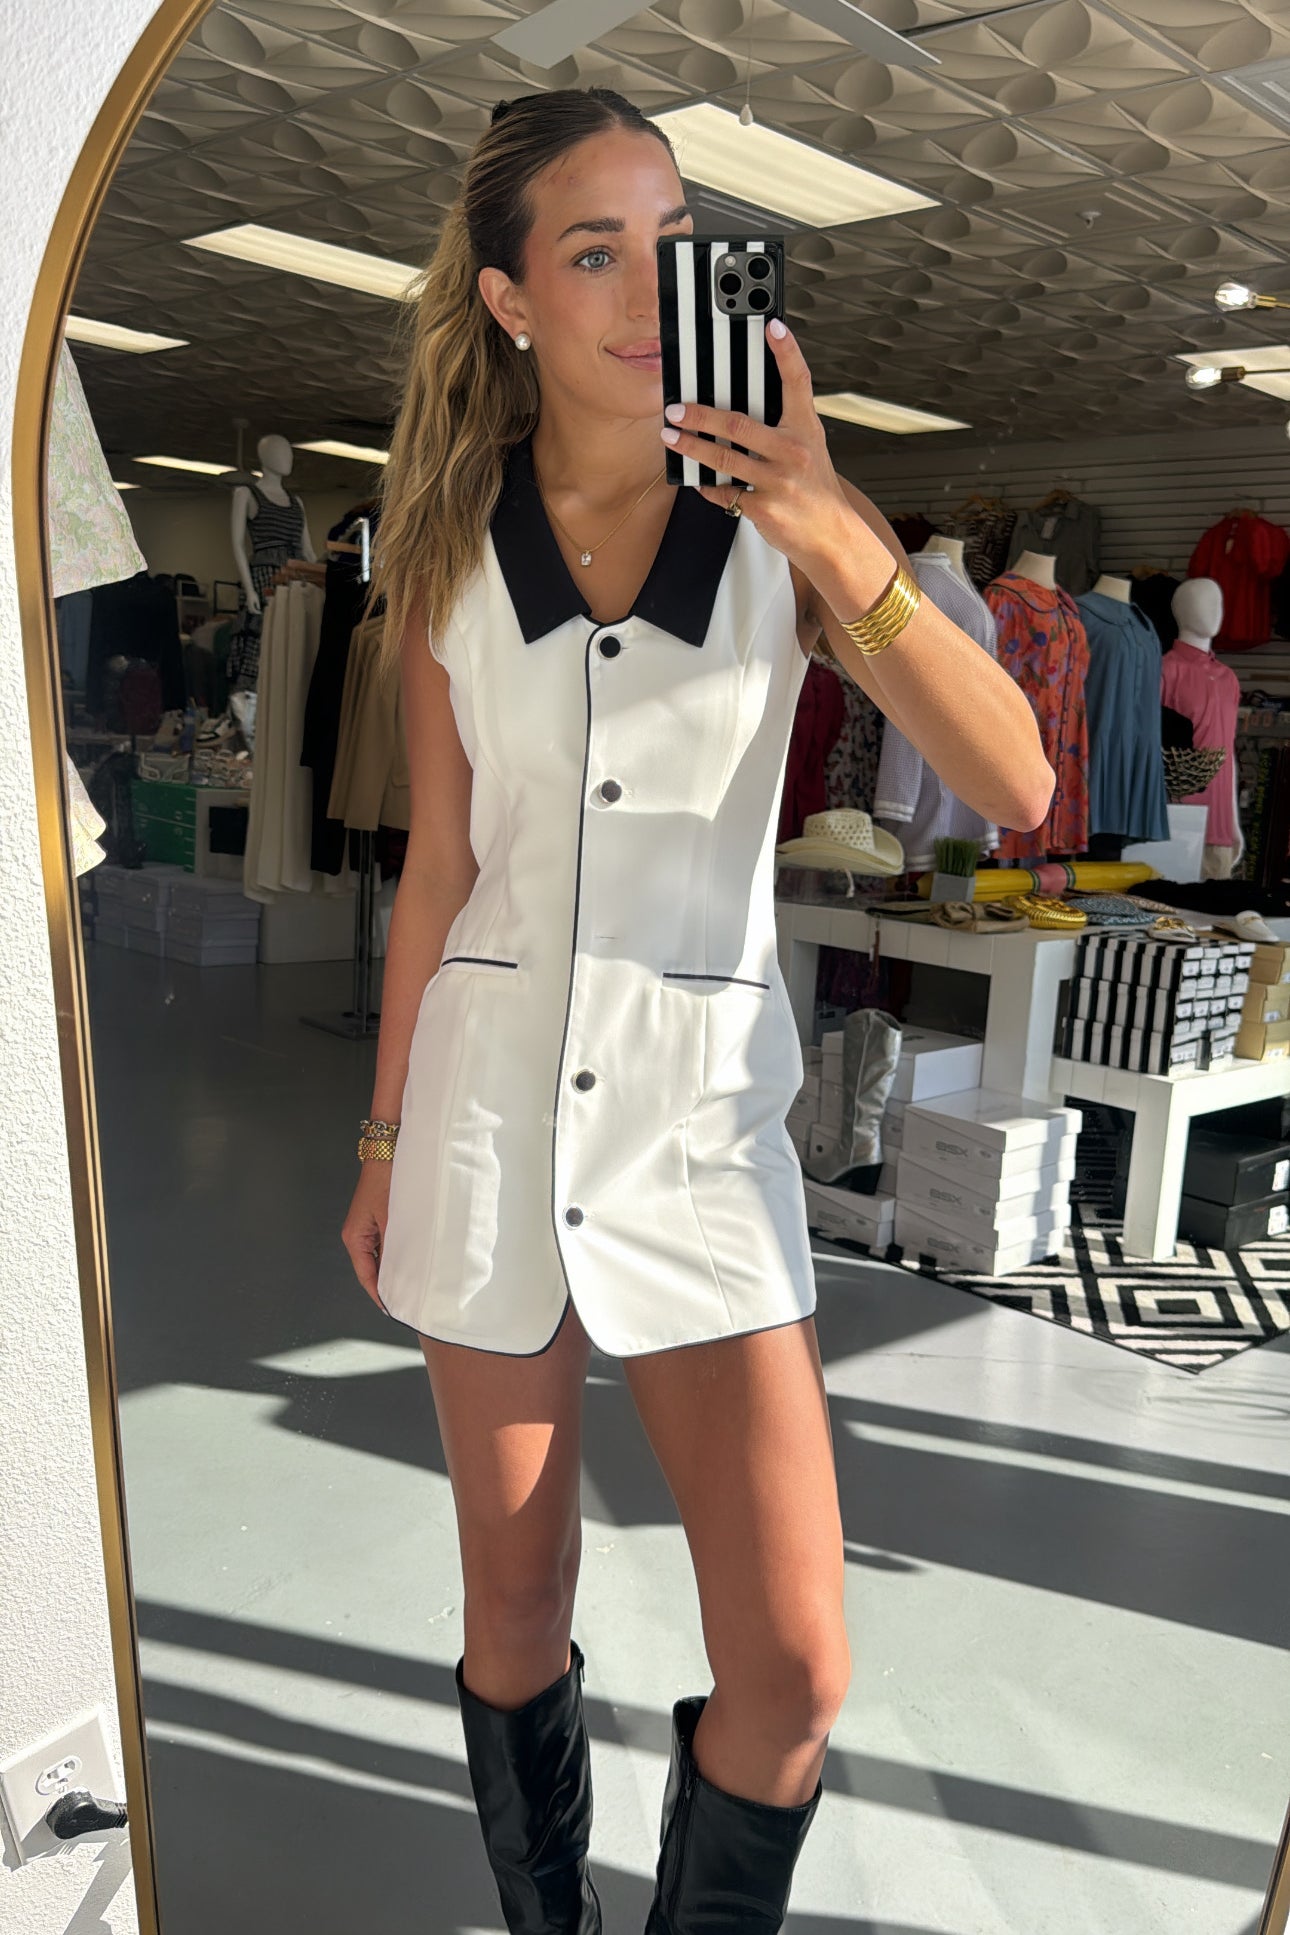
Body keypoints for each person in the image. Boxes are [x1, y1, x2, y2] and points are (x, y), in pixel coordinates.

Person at [342, 86, 1052, 1935]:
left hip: (697, 1135)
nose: (644, 289)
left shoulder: (779, 519)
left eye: (674, 245)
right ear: (509, 299)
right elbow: (442, 869)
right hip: (486, 1117)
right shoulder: (442, 540)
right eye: (592, 252)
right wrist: (386, 1137)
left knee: (795, 1673)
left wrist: (816, 514)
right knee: (512, 1607)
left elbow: (1015, 779)